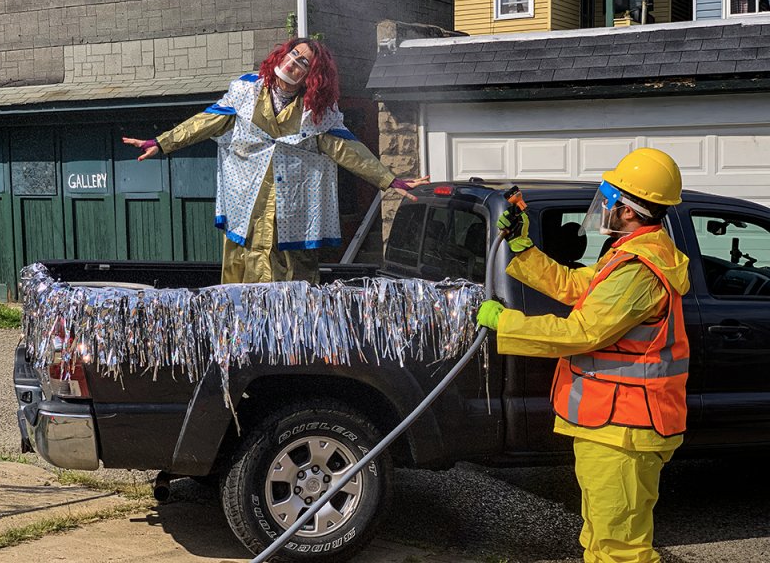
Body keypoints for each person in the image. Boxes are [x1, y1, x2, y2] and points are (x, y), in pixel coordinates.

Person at [477, 148, 690, 563]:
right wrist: (522, 249)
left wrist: (507, 324)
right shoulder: (627, 253)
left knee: (620, 550)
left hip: (626, 428)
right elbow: (576, 287)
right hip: (609, 424)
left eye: (608, 199)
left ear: (629, 211)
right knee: (598, 539)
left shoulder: (639, 269)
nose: (603, 207)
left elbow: (582, 332)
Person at [123, 38, 428, 284]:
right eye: (293, 55)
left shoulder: (316, 113)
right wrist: (161, 143)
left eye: (303, 63)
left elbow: (348, 150)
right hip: (246, 206)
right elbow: (206, 122)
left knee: (292, 282)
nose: (293, 63)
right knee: (241, 273)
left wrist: (390, 180)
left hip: (293, 215)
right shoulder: (247, 90)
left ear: (312, 76)